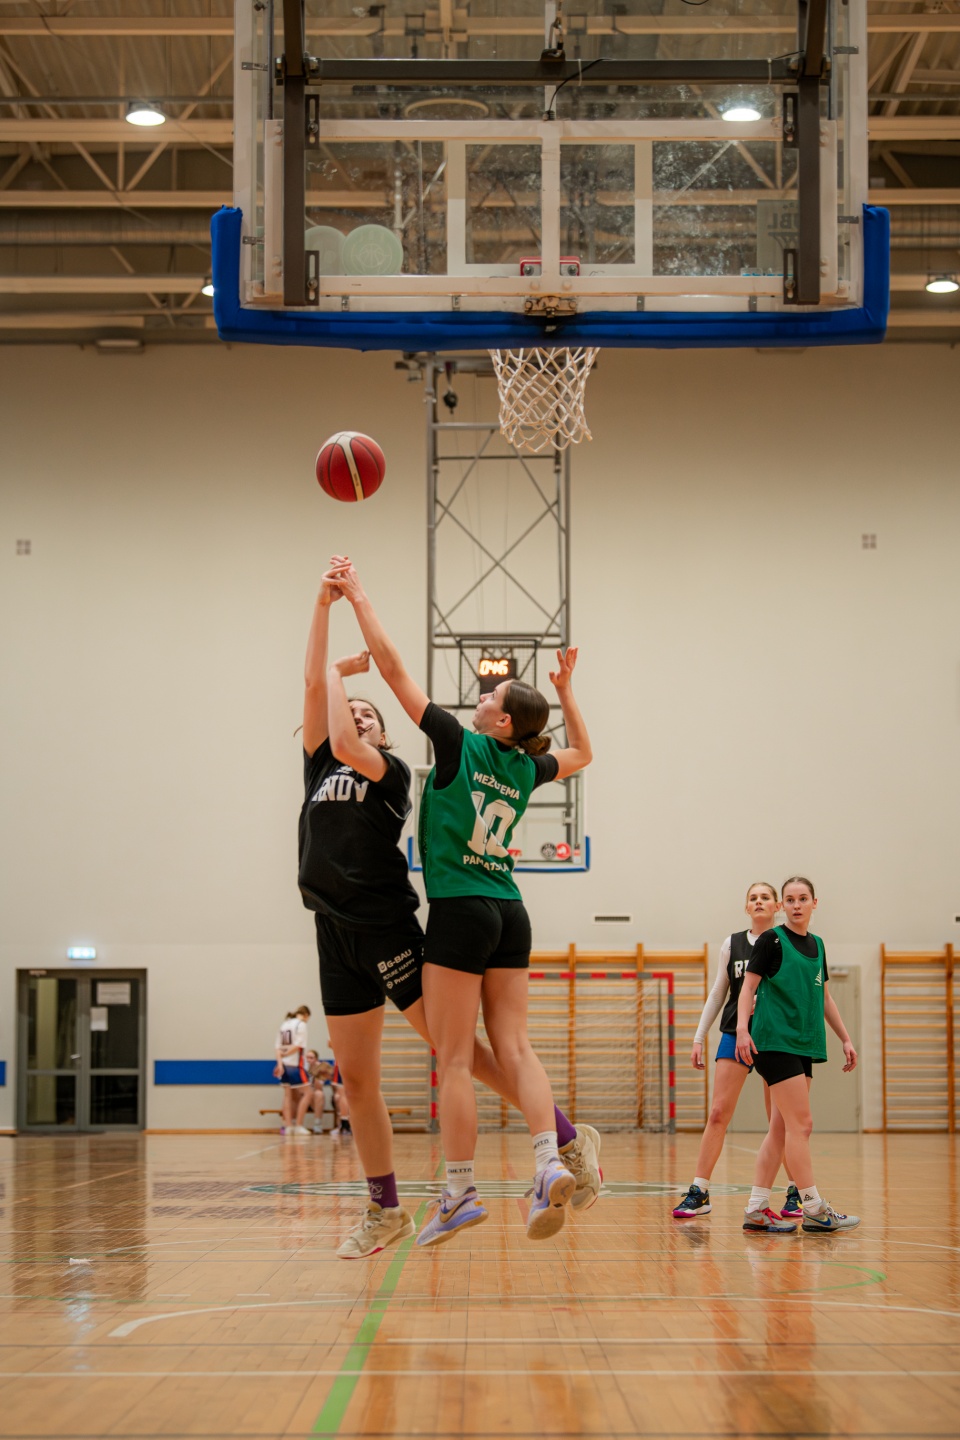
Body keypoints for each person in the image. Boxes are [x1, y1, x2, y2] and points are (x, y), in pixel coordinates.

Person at [300, 572, 600, 1257]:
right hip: (470, 910)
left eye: (490, 696)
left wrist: (355, 612)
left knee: (459, 1057)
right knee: (474, 1053)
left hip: (414, 921)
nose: (479, 697)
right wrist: (564, 693)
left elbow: (374, 691)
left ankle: (482, 1179)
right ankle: (548, 1153)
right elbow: (582, 753)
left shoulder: (399, 768)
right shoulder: (520, 765)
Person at [736, 876, 860, 1234]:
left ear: (814, 903)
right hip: (775, 1041)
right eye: (789, 899)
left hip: (804, 1044)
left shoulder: (818, 945)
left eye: (802, 898)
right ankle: (815, 1207)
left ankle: (756, 1208)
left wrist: (845, 1038)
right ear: (782, 906)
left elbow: (824, 997)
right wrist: (742, 1029)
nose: (796, 905)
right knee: (801, 1125)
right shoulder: (772, 940)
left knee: (781, 1128)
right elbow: (747, 987)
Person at [673, 882, 800, 1220]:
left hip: (774, 1036)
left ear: (777, 906)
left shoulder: (787, 942)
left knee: (780, 1120)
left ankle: (795, 1192)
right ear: (746, 907)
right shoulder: (733, 943)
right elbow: (719, 991)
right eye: (752, 898)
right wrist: (699, 1037)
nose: (758, 902)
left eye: (765, 897)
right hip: (734, 1032)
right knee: (718, 1112)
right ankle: (699, 1191)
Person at [273, 1005, 312, 1135]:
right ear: (306, 1015)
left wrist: (280, 1063)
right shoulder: (301, 1024)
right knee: (308, 1093)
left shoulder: (284, 1024)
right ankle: (299, 1125)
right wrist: (286, 1055)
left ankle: (288, 1126)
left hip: (284, 1065)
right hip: (295, 1064)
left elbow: (277, 1047)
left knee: (287, 1095)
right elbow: (298, 1046)